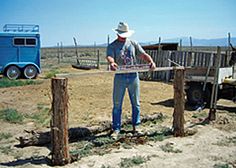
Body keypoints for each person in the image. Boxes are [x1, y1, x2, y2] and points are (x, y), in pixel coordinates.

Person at [106, 22, 156, 139]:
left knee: (136, 103)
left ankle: (136, 126)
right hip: (120, 77)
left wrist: (151, 61)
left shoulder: (133, 43)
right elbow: (110, 56)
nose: (123, 36)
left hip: (133, 76)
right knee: (117, 104)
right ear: (117, 34)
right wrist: (112, 62)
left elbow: (143, 54)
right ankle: (116, 128)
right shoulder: (112, 46)